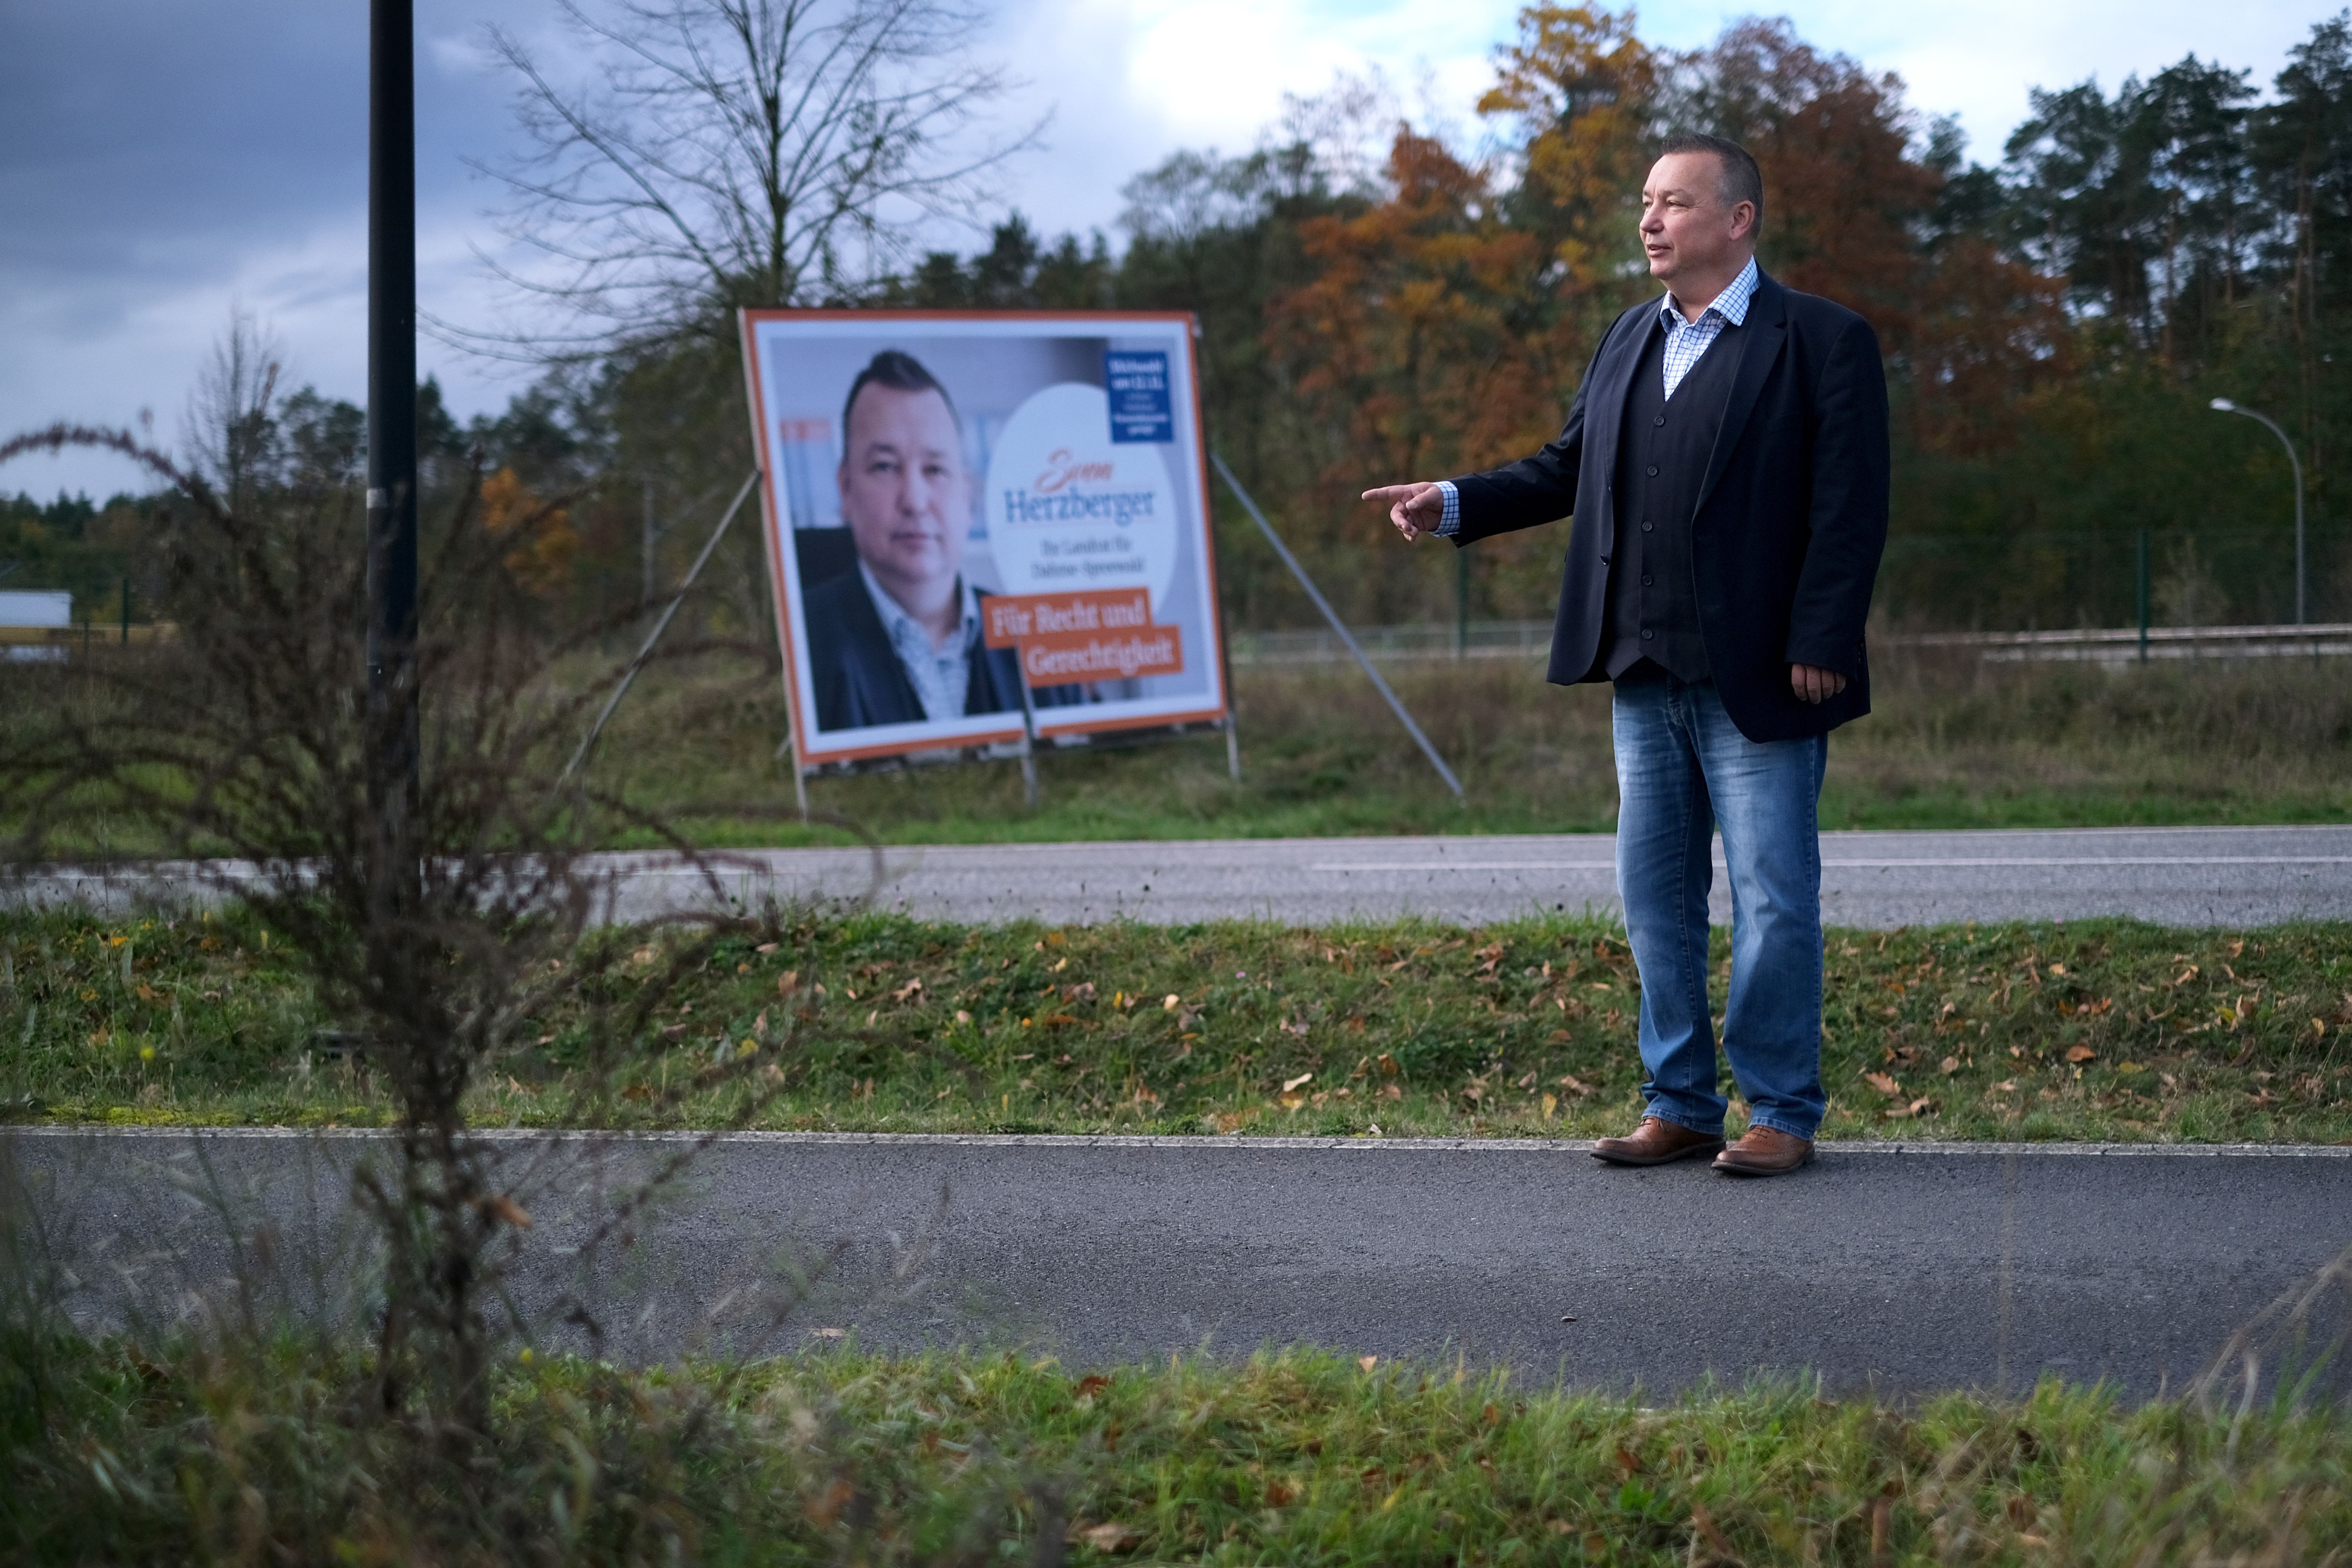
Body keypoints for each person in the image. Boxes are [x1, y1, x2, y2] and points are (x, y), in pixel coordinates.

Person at [1362, 132, 1889, 1177]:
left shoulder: (1822, 339)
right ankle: (1682, 1103)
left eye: (1677, 203)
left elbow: (1850, 507)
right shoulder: (1627, 339)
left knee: (1776, 899)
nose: (1651, 221)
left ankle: (1781, 1109)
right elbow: (1568, 467)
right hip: (1642, 670)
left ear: (1738, 220)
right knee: (1656, 901)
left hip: (1765, 679)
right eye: (1646, 202)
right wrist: (1456, 500)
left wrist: (1823, 638)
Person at [801, 349, 1077, 731]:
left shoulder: (1038, 639)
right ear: (846, 489)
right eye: (885, 466)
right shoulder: (799, 640)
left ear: (968, 494)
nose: (914, 500)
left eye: (935, 469)